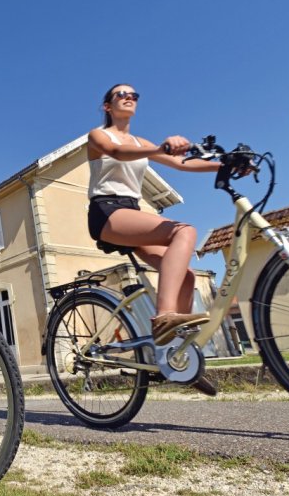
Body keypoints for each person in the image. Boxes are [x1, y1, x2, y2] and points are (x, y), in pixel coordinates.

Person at [87, 83, 220, 395]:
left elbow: (181, 163)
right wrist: (161, 147)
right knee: (183, 230)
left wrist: (224, 165)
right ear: (107, 106)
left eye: (134, 95)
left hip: (131, 211)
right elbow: (117, 152)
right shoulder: (98, 135)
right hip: (107, 211)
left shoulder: (141, 141)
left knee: (185, 276)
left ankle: (174, 355)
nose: (129, 98)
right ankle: (164, 318)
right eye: (122, 94)